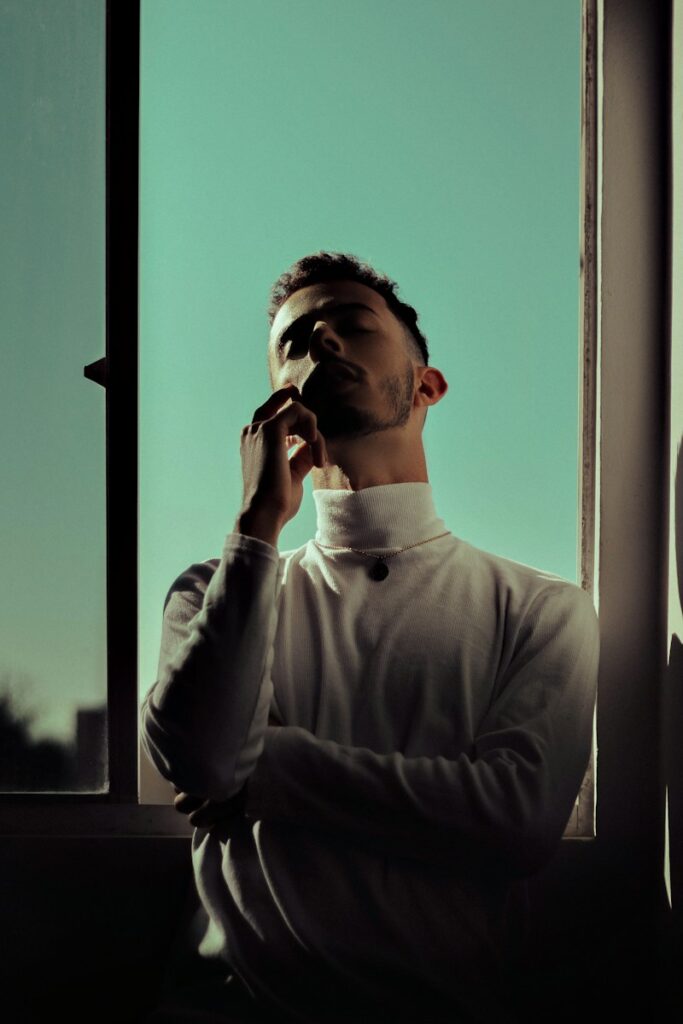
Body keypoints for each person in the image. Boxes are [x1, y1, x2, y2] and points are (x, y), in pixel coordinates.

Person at [140, 251, 600, 1024]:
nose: (320, 341)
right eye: (293, 341)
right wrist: (256, 524)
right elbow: (207, 759)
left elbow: (515, 824)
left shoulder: (541, 608)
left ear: (427, 385)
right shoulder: (212, 590)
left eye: (351, 324)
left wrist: (271, 766)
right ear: (276, 398)